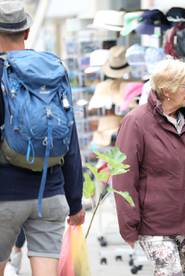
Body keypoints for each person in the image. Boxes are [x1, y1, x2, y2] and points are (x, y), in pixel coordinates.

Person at [113, 59, 185, 275]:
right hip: (154, 224)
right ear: (167, 90)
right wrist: (128, 225)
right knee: (172, 271)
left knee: (178, 272)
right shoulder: (136, 122)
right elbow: (123, 178)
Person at [0, 2, 85, 276]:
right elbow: (70, 142)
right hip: (51, 194)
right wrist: (75, 202)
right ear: (26, 31)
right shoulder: (53, 71)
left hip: (5, 197)